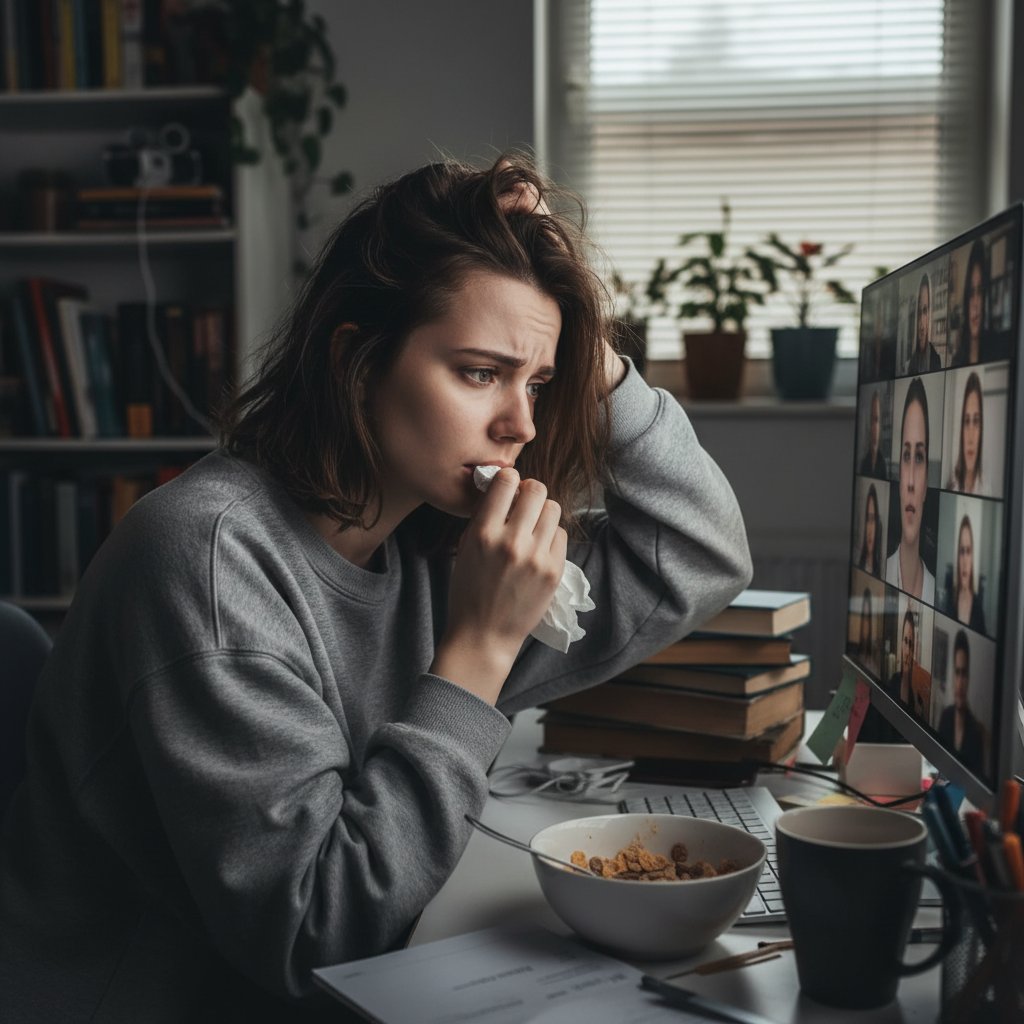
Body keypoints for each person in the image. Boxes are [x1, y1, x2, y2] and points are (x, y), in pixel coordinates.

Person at [0, 156, 752, 1021]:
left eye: (538, 383)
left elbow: (700, 552)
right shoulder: (206, 563)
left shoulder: (430, 542)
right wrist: (478, 651)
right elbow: (321, 937)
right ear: (358, 361)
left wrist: (587, 345)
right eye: (480, 372)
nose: (522, 424)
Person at [886, 378, 935, 603]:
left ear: (926, 486)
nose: (912, 481)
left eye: (919, 456)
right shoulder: (883, 571)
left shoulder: (937, 594)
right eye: (906, 456)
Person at [937, 630, 986, 777]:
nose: (959, 683)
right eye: (957, 673)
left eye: (964, 674)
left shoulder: (976, 734)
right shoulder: (946, 716)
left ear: (969, 678)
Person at [950, 238, 988, 367]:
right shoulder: (956, 361)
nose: (975, 304)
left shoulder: (997, 351)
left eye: (980, 291)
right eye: (971, 293)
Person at [947, 371, 984, 495]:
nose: (971, 437)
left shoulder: (987, 488)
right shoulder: (950, 486)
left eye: (976, 421)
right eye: (967, 421)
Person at [949, 514, 986, 634]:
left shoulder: (978, 608)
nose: (965, 560)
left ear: (972, 557)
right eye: (961, 551)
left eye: (968, 551)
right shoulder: (949, 600)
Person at [905, 273, 941, 374]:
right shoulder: (911, 363)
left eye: (925, 311)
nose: (921, 321)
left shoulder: (935, 360)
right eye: (919, 311)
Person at [858, 390, 887, 478]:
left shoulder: (883, 464)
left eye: (876, 420)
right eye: (872, 420)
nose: (874, 426)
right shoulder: (863, 464)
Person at [857, 483, 883, 576]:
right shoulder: (858, 565)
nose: (869, 529)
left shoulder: (879, 571)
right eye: (868, 520)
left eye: (872, 520)